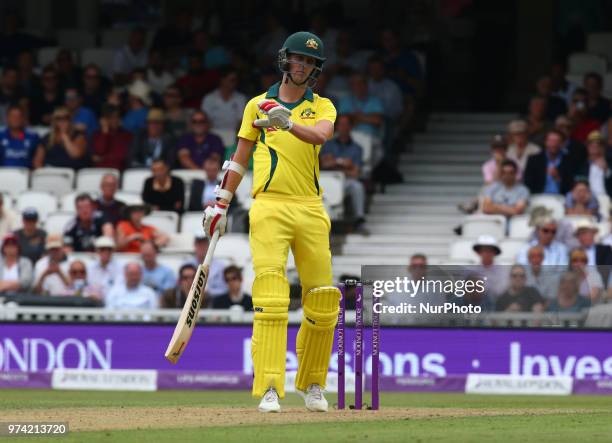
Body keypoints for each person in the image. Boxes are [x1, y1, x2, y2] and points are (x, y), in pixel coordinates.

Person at [202, 31, 339, 412]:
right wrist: (221, 203)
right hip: (269, 207)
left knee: (323, 300)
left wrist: (288, 122)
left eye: (310, 62)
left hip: (310, 208)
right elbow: (239, 155)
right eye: (298, 59)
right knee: (271, 296)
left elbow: (320, 136)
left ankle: (312, 384)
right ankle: (269, 388)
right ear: (285, 60)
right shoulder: (256, 105)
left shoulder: (323, 106)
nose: (303, 66)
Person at [319, 114, 368, 233]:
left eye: (346, 124)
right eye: (340, 124)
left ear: (351, 127)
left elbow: (355, 172)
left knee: (357, 186)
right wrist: (342, 162)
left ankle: (359, 219)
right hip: (327, 180)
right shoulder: (327, 145)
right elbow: (323, 165)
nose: (343, 127)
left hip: (345, 181)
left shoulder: (357, 148)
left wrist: (334, 163)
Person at [523, 129, 574, 195]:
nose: (553, 144)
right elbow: (527, 183)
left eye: (557, 141)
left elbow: (571, 186)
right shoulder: (534, 160)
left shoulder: (569, 161)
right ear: (545, 142)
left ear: (562, 144)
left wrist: (558, 178)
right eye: (550, 141)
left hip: (561, 199)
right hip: (538, 197)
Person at [183, 232, 228, 300]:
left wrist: (206, 292)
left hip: (214, 302)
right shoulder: (186, 264)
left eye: (204, 244)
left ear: (209, 245)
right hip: (190, 301)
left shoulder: (220, 266)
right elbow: (181, 287)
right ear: (194, 245)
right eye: (199, 244)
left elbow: (224, 289)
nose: (201, 247)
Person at [338, 72, 384, 137]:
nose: (358, 86)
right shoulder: (345, 100)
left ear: (366, 85)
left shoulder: (375, 100)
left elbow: (377, 120)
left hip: (369, 136)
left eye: (360, 83)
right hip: (348, 136)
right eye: (354, 84)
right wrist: (367, 117)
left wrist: (356, 117)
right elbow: (342, 120)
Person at [201, 68, 247, 132]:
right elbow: (204, 120)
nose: (235, 83)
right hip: (213, 134)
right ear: (222, 80)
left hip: (234, 135)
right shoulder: (209, 98)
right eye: (232, 80)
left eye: (236, 80)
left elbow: (241, 121)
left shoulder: (241, 98)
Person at [91, 104, 133, 170]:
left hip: (118, 170)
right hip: (99, 171)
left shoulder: (126, 135)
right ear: (105, 120)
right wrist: (105, 132)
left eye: (117, 117)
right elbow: (99, 151)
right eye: (111, 118)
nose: (115, 120)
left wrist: (102, 158)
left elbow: (121, 157)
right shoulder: (97, 134)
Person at [574, 131, 612, 198]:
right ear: (587, 147)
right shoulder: (582, 165)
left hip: (607, 198)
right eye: (591, 145)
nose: (595, 147)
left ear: (603, 147)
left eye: (598, 145)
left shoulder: (609, 162)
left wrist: (607, 170)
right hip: (588, 199)